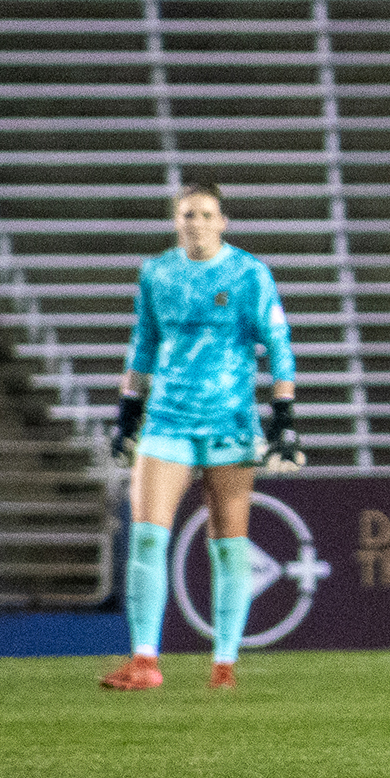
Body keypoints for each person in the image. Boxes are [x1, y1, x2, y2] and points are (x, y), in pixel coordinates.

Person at [97, 181, 305, 692]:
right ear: (176, 220)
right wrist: (127, 415)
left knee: (229, 544)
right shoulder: (158, 272)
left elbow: (278, 344)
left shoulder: (248, 274)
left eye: (207, 214)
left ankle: (224, 665)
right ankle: (145, 661)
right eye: (188, 214)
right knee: (147, 535)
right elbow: (142, 344)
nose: (197, 222)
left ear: (223, 222)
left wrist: (284, 419)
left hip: (230, 423)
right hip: (166, 420)